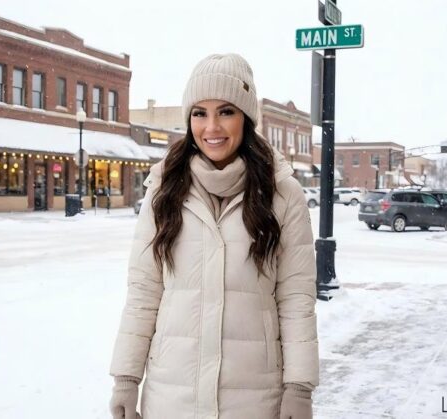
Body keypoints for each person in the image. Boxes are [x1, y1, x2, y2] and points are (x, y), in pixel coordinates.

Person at [109, 53, 319, 419]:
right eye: (199, 113)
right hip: (172, 395)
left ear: (246, 117)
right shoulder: (163, 190)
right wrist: (126, 379)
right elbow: (144, 292)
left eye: (225, 111)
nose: (211, 127)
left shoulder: (283, 194)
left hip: (254, 396)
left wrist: (299, 387)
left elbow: (296, 298)